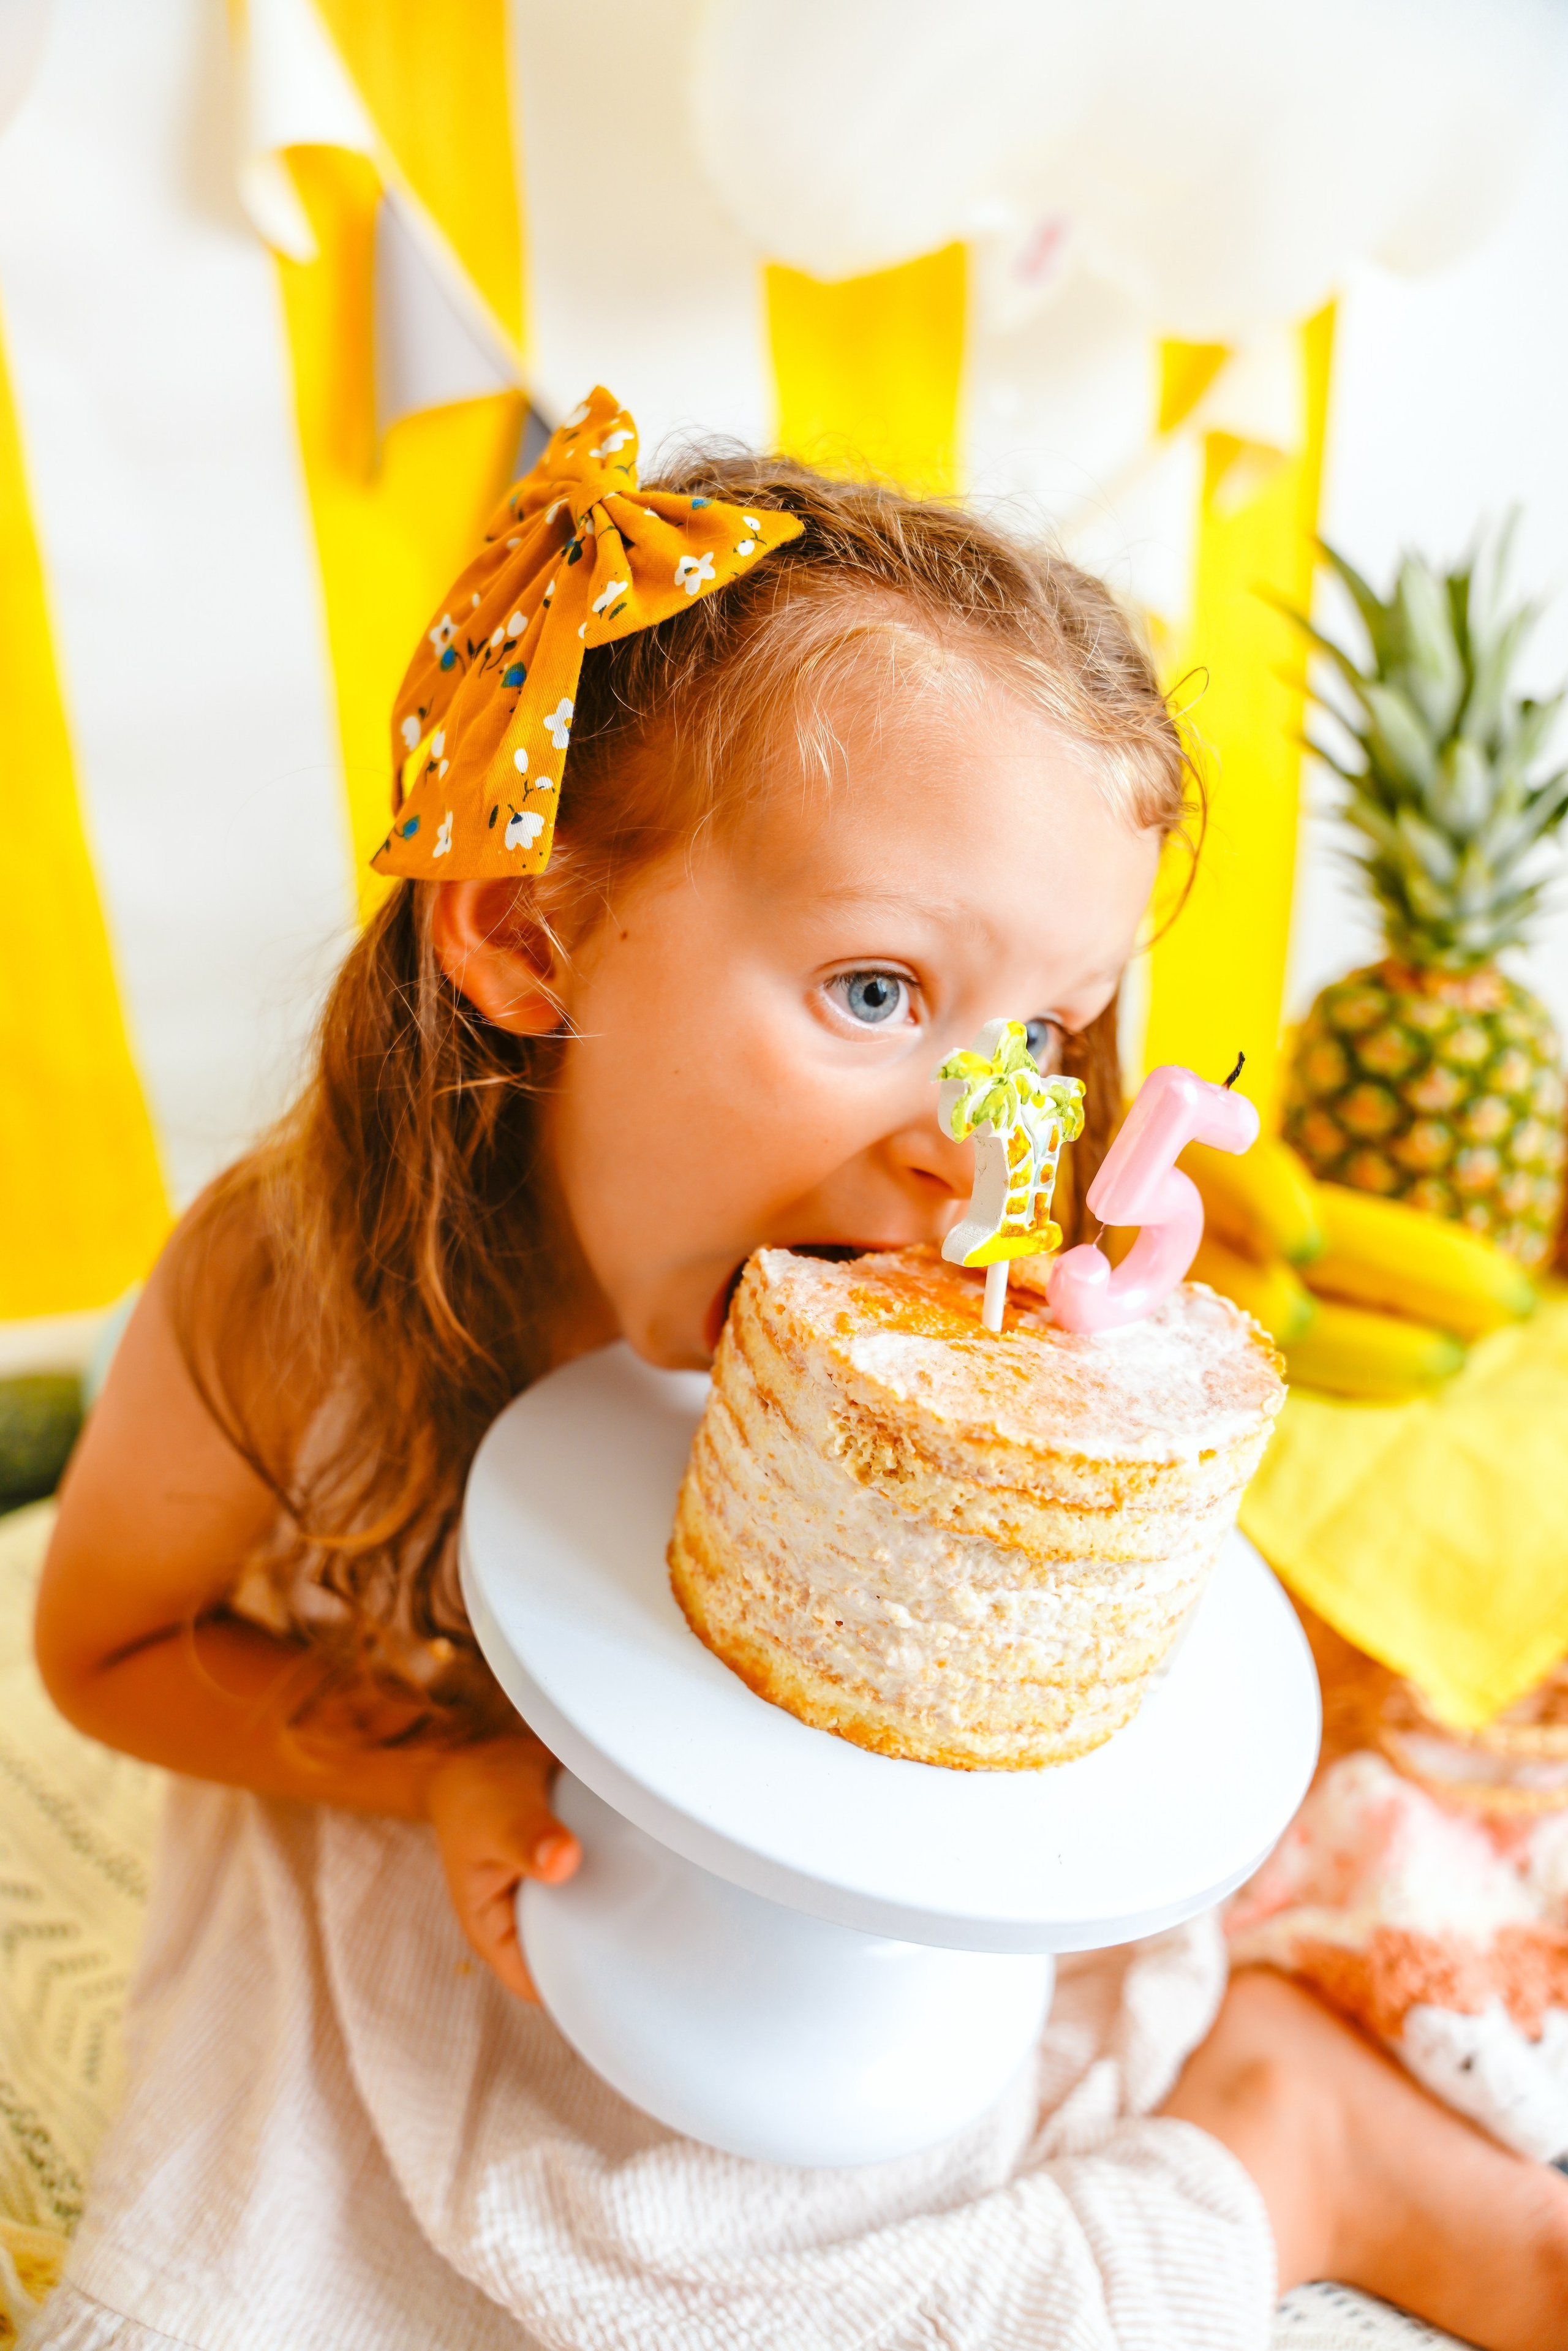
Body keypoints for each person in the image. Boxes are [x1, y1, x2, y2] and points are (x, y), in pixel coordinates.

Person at [32, 390, 1568, 2351]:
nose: (985, 1145)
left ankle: (1294, 2138)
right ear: (529, 934)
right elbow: (106, 1649)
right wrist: (440, 1775)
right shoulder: (296, 1288)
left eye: (1050, 1035)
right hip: (455, 1816)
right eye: (876, 991)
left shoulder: (976, 1293)